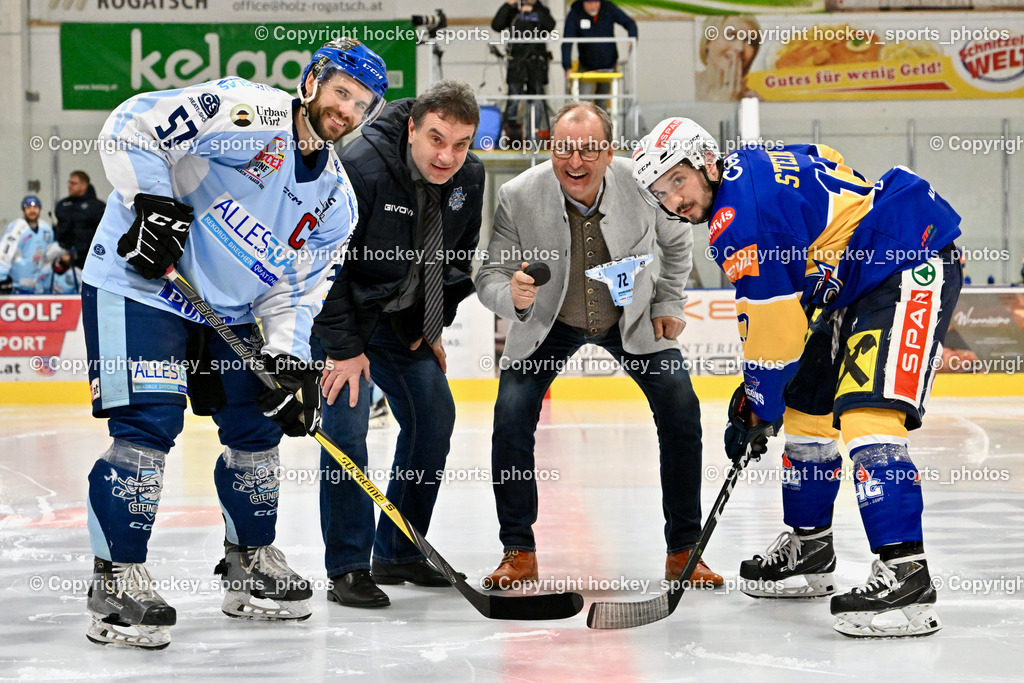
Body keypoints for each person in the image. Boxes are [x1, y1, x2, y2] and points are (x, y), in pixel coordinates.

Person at [79, 38, 388, 649]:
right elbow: (133, 124)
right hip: (140, 284)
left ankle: (249, 567)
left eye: (362, 105)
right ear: (312, 83)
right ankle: (113, 584)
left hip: (232, 310)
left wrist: (285, 356)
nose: (346, 110)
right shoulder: (246, 111)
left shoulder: (336, 199)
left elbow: (299, 287)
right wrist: (154, 205)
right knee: (147, 426)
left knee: (258, 427)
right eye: (341, 92)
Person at [632, 117, 962, 637]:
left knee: (866, 415)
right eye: (660, 193)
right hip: (856, 278)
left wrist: (757, 407)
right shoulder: (748, 167)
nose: (674, 201)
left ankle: (907, 577)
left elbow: (775, 330)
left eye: (678, 181)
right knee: (808, 410)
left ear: (705, 162)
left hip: (906, 260)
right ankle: (811, 549)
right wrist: (765, 399)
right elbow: (828, 159)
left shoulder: (738, 217)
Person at [474, 102, 720, 591]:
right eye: (564, 148)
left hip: (629, 318)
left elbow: (676, 246)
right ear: (550, 148)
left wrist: (668, 302)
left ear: (610, 152)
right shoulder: (517, 195)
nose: (576, 161)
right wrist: (511, 295)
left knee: (680, 407)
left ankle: (684, 550)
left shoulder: (648, 183)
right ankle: (518, 551)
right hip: (550, 321)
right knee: (510, 415)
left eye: (590, 149)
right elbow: (489, 274)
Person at [312, 80, 483, 609]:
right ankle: (347, 566)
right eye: (436, 139)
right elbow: (324, 264)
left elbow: (457, 259)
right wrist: (343, 348)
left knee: (434, 415)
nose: (446, 156)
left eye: (460, 144)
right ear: (412, 128)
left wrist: (431, 325)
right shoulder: (359, 165)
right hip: (344, 318)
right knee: (346, 426)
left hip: (402, 322)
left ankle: (400, 550)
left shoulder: (469, 178)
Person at [491, 0, 556, 141]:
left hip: (536, 62)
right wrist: (508, 5)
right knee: (513, 99)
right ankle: (509, 136)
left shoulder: (542, 10)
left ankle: (534, 134)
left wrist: (533, 12)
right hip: (517, 62)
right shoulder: (513, 10)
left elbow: (550, 25)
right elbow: (496, 25)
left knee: (537, 100)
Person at [561, 0, 637, 110]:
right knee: (583, 102)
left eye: (596, 2)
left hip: (608, 64)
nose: (594, 6)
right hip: (586, 65)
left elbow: (630, 23)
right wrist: (567, 67)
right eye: (590, 3)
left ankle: (602, 126)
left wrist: (632, 37)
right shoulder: (575, 12)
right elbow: (567, 41)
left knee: (602, 103)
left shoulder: (608, 7)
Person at [696, 15, 762, 101]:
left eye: (750, 41)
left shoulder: (756, 102)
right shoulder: (681, 82)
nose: (740, 47)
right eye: (731, 35)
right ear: (708, 41)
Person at [0, 196, 55, 294]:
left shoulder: (46, 229)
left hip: (38, 287)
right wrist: (2, 277)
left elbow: (48, 257)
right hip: (16, 286)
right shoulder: (16, 227)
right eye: (28, 207)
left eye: (35, 207)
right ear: (23, 209)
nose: (32, 210)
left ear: (40, 209)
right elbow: (4, 253)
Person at [55, 170, 106, 270]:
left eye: (73, 183)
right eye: (69, 183)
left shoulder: (97, 207)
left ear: (83, 185)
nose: (70, 186)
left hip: (88, 260)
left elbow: (101, 235)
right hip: (64, 259)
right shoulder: (63, 205)